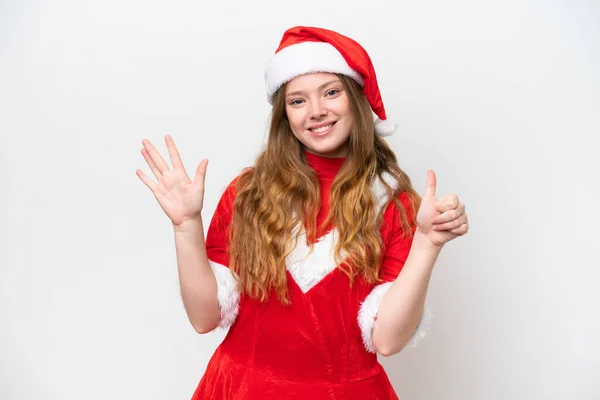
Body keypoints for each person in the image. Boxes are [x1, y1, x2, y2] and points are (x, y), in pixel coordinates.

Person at [136, 26, 469, 400]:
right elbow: (204, 318)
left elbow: (387, 341)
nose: (316, 111)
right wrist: (186, 226)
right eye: (297, 101)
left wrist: (427, 244)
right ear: (285, 115)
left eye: (331, 92)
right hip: (241, 389)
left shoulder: (397, 204)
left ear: (356, 100)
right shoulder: (249, 192)